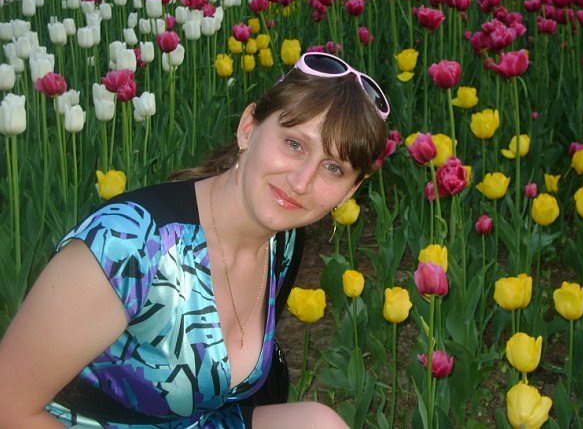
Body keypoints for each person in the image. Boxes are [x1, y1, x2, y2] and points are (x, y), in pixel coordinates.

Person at [0, 52, 390, 428]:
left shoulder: (281, 242)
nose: (302, 181)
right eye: (294, 144)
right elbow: (7, 407)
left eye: (333, 168)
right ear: (248, 128)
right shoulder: (130, 244)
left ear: (349, 191)